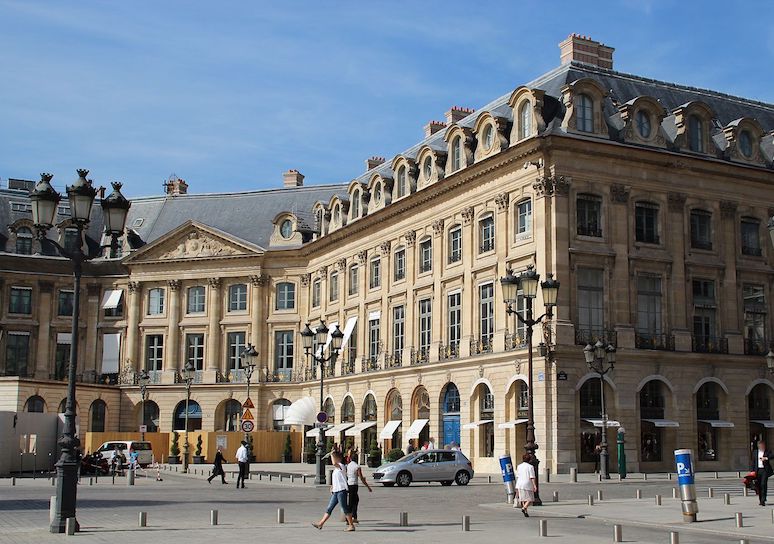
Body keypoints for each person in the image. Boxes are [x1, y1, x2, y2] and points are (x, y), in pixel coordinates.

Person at [311, 451, 355, 532]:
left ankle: (351, 525)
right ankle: (321, 524)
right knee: (329, 508)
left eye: (334, 457)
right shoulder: (336, 469)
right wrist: (332, 486)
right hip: (336, 491)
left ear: (338, 458)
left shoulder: (341, 466)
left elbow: (334, 463)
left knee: (345, 508)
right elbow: (337, 479)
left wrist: (331, 454)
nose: (333, 459)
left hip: (342, 491)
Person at [346, 447, 372, 523]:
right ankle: (350, 519)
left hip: (349, 484)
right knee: (353, 502)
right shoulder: (357, 467)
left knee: (354, 501)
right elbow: (361, 477)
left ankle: (353, 517)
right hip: (354, 485)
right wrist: (368, 487)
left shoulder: (349, 465)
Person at [514, 453, 537, 517]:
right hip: (527, 484)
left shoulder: (519, 466)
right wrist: (534, 485)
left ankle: (526, 512)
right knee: (530, 498)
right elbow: (532, 477)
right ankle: (524, 508)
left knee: (523, 498)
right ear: (529, 460)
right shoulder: (530, 467)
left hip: (519, 483)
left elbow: (518, 476)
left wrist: (516, 485)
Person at [754, 440, 773, 506]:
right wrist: (752, 471)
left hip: (764, 470)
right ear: (758, 446)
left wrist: (766, 458)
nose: (762, 447)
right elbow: (753, 462)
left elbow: (772, 456)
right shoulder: (755, 452)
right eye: (760, 446)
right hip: (758, 470)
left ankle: (763, 499)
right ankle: (760, 499)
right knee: (758, 485)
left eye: (763, 445)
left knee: (763, 484)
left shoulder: (767, 451)